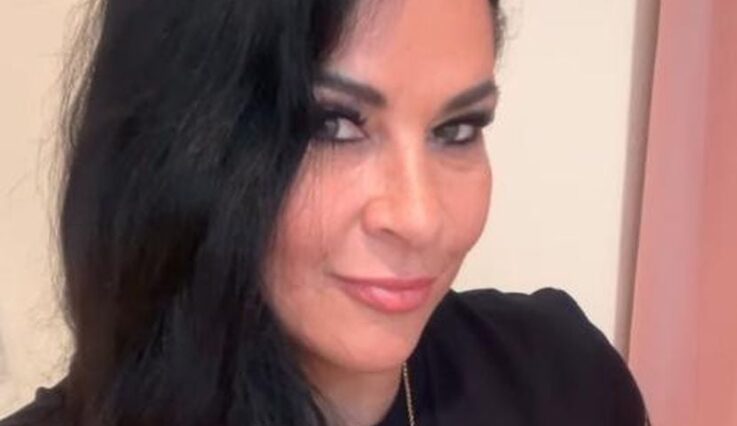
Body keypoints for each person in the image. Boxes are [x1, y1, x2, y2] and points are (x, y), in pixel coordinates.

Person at [1, 0, 649, 425]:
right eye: (331, 125)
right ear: (180, 143)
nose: (420, 218)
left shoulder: (561, 384)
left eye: (456, 129)